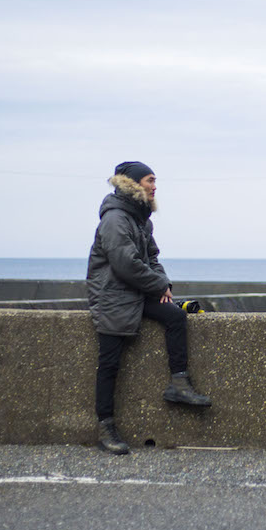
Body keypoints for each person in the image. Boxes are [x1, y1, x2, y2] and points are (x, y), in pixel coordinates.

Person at [86, 160, 211, 455]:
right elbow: (125, 263)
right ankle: (105, 427)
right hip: (113, 298)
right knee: (109, 365)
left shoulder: (141, 220)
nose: (155, 186)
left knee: (176, 316)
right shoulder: (115, 219)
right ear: (132, 185)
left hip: (138, 294)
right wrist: (156, 286)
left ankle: (178, 384)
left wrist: (162, 284)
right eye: (150, 180)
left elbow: (152, 257)